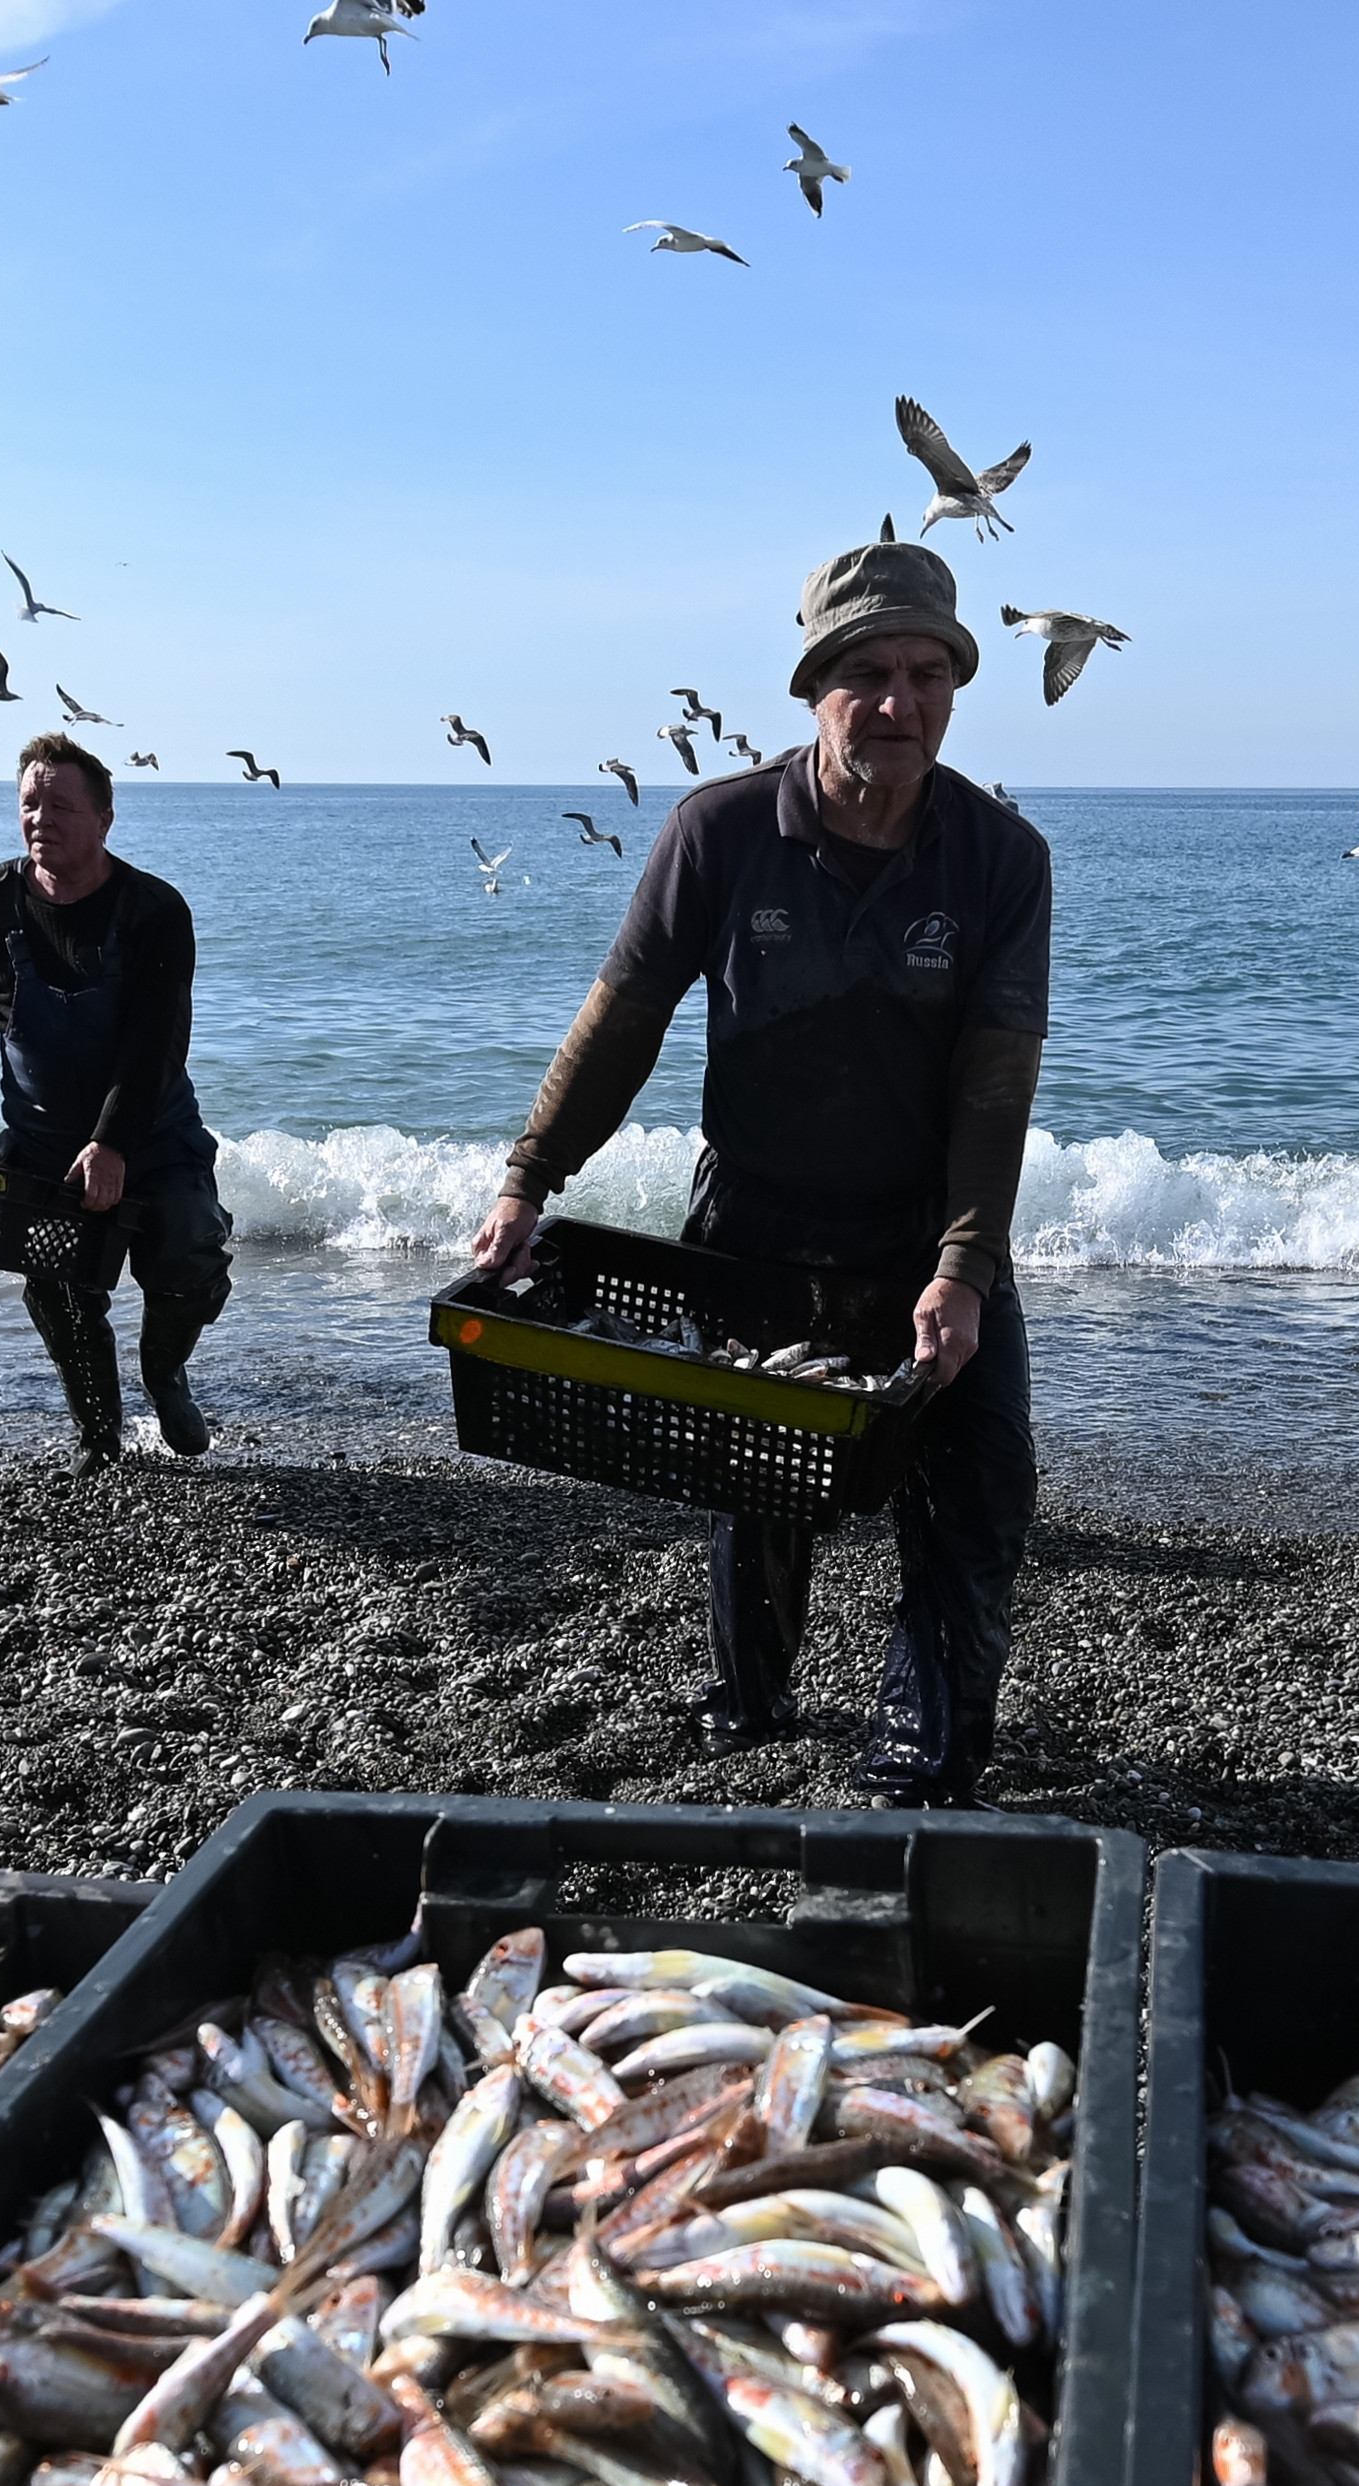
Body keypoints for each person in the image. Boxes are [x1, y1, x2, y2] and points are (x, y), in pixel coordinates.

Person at [472, 535, 1049, 1807]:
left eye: (925, 674)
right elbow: (620, 1019)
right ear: (812, 688)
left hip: (926, 1229)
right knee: (762, 1483)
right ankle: (753, 1701)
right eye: (866, 674)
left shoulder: (1002, 857)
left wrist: (962, 1267)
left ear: (954, 686)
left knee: (979, 1490)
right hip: (756, 1225)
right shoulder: (718, 829)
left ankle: (923, 1759)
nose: (898, 703)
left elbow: (994, 1085)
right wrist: (529, 1179)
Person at [0, 731, 233, 1470]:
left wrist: (112, 1141)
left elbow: (156, 1042)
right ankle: (98, 1436)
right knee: (58, 1291)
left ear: (104, 818)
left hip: (152, 1131)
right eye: (29, 804)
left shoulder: (154, 910)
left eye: (61, 805)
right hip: (40, 1140)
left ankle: (164, 1375)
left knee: (189, 1256)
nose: (42, 818)